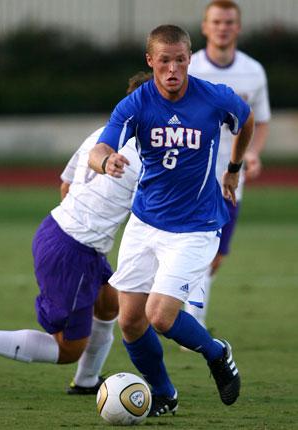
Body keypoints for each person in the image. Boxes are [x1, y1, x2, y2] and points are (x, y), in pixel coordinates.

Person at [88, 24, 254, 417]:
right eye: (164, 61)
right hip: (145, 224)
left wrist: (233, 167)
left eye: (180, 59)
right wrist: (106, 161)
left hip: (195, 227)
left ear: (189, 58)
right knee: (129, 322)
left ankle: (217, 353)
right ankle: (165, 394)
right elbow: (101, 147)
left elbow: (245, 121)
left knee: (159, 316)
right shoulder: (137, 104)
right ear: (151, 61)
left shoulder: (214, 98)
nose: (173, 68)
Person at [0, 72, 150, 394]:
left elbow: (66, 185)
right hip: (72, 249)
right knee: (68, 348)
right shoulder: (142, 153)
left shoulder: (100, 135)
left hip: (63, 235)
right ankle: (80, 373)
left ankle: (86, 382)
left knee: (109, 303)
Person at [185, 0, 270, 328]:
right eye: (216, 22)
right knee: (192, 245)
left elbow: (260, 121)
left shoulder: (253, 70)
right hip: (191, 175)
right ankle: (191, 322)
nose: (223, 27)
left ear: (238, 27)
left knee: (217, 256)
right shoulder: (189, 67)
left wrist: (253, 152)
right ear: (205, 27)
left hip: (232, 178)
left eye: (229, 22)